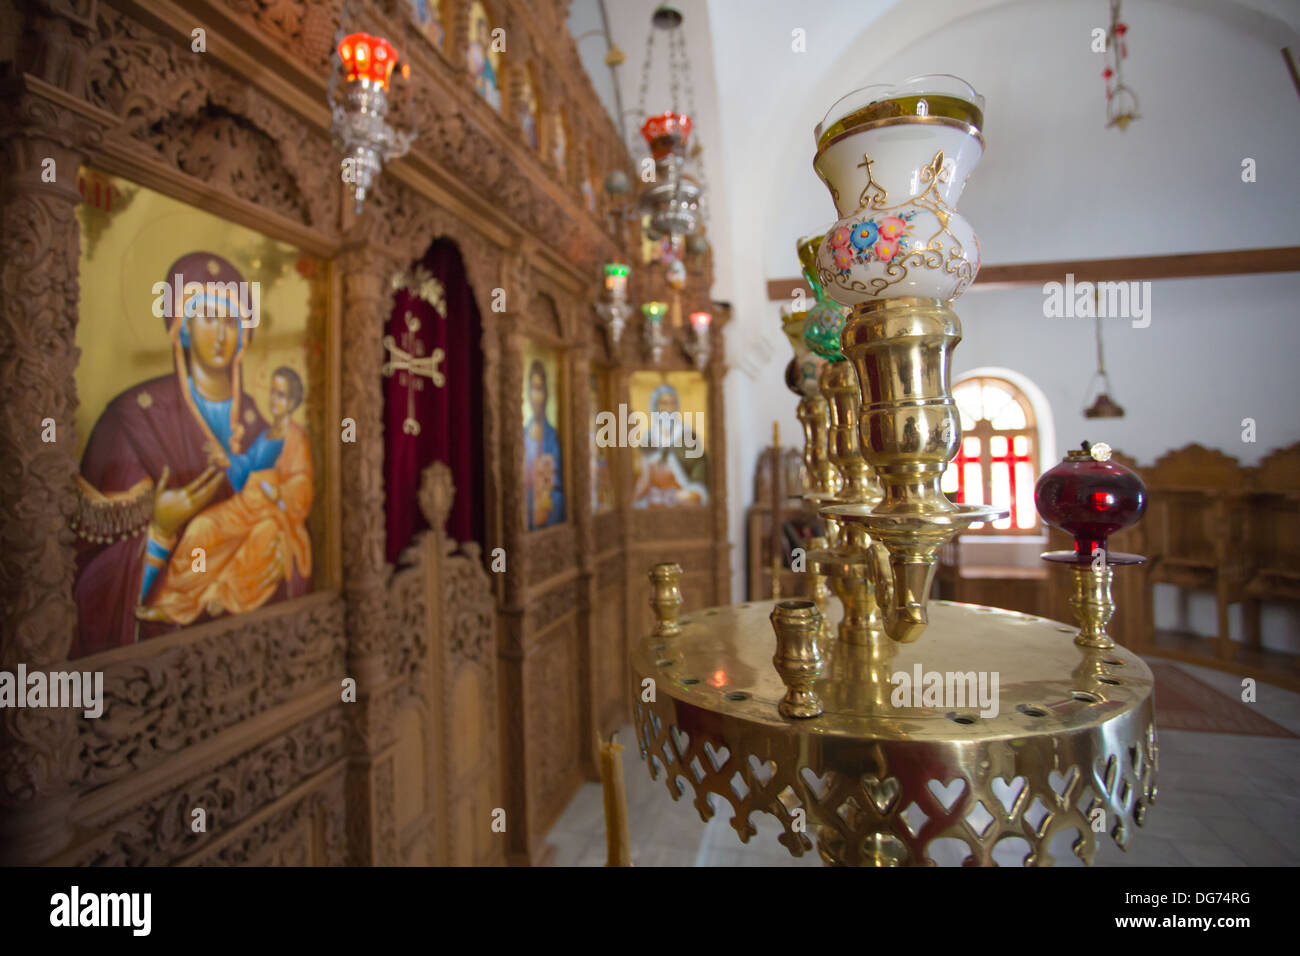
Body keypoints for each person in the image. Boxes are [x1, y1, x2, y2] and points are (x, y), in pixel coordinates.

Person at [72, 253, 309, 657]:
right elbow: (87, 571)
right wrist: (160, 532)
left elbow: (290, 512)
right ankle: (183, 598)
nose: (221, 334)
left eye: (231, 321)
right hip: (161, 661)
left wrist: (281, 550)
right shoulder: (133, 420)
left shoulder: (259, 423)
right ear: (181, 328)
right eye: (208, 316)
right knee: (201, 536)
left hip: (252, 644)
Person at [140, 367, 313, 624]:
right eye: (274, 393)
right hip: (245, 507)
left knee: (261, 536)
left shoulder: (297, 438)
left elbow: (302, 483)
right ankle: (176, 601)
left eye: (283, 395)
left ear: (294, 402)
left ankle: (218, 593)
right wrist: (227, 460)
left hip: (275, 516)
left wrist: (278, 490)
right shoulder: (266, 434)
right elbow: (247, 469)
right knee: (202, 527)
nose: (276, 400)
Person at [632, 384, 709, 507]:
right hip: (656, 499)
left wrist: (693, 492)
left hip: (686, 495)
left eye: (672, 404)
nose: (668, 408)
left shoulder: (688, 436)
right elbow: (643, 479)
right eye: (663, 403)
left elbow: (700, 468)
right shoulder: (648, 439)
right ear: (655, 407)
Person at [524, 359, 565, 529]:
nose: (537, 397)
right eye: (534, 389)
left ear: (547, 394)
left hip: (546, 519)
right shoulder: (522, 435)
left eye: (540, 389)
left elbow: (557, 487)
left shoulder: (552, 437)